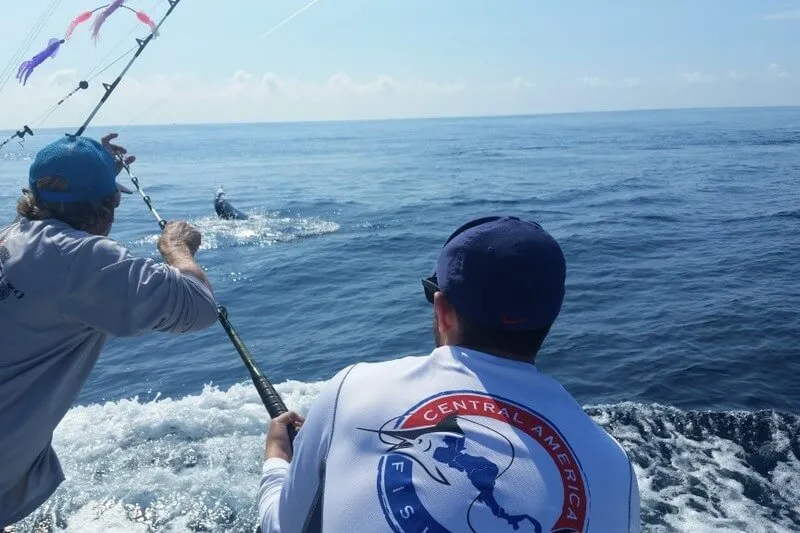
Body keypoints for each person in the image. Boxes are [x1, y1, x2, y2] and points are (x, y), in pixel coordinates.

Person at [257, 215, 641, 532]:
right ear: (550, 316)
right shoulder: (614, 466)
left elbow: (281, 527)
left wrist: (277, 458)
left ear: (442, 310)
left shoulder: (352, 389)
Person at [0, 133, 220, 529]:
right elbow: (200, 307)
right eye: (114, 200)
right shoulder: (82, 260)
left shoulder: (13, 237)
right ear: (107, 208)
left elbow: (60, 198)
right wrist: (177, 249)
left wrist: (95, 172)